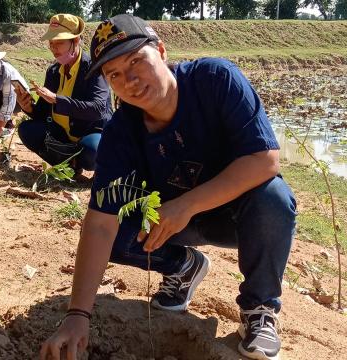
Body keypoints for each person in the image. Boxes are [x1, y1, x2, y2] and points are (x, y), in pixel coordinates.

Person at [40, 14, 296, 360]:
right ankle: (181, 265)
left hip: (236, 215)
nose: (129, 80)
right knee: (114, 231)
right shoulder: (121, 133)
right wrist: (76, 315)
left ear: (160, 51)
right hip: (171, 224)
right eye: (114, 74)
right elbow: (100, 223)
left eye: (136, 61)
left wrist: (187, 204)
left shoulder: (215, 79)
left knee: (274, 198)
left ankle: (259, 311)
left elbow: (264, 159)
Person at [15, 14, 112, 174]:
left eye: (59, 43)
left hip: (90, 131)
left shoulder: (93, 69)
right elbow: (43, 112)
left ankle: (77, 161)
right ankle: (69, 166)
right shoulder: (53, 72)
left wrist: (57, 100)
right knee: (27, 130)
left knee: (93, 151)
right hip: (62, 133)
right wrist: (28, 107)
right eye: (51, 43)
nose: (54, 49)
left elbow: (98, 109)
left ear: (75, 41)